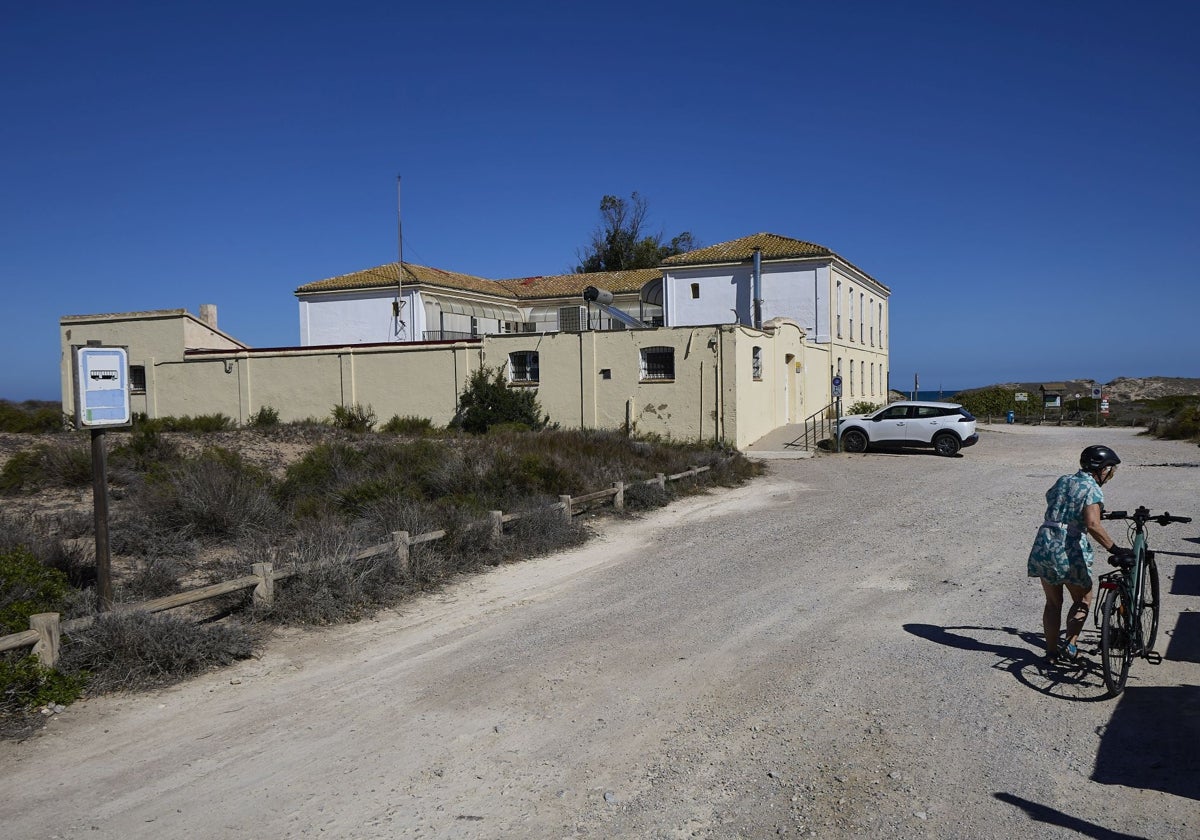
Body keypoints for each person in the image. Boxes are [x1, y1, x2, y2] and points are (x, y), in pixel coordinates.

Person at [1027, 444, 1133, 666]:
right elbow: (1093, 525)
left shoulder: (1064, 480)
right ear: (1102, 469)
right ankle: (1071, 645)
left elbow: (1056, 502)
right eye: (1110, 470)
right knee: (1083, 599)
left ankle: (1051, 654)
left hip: (1045, 543)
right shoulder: (1092, 487)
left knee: (1053, 603)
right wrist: (1115, 549)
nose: (1110, 474)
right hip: (1068, 549)